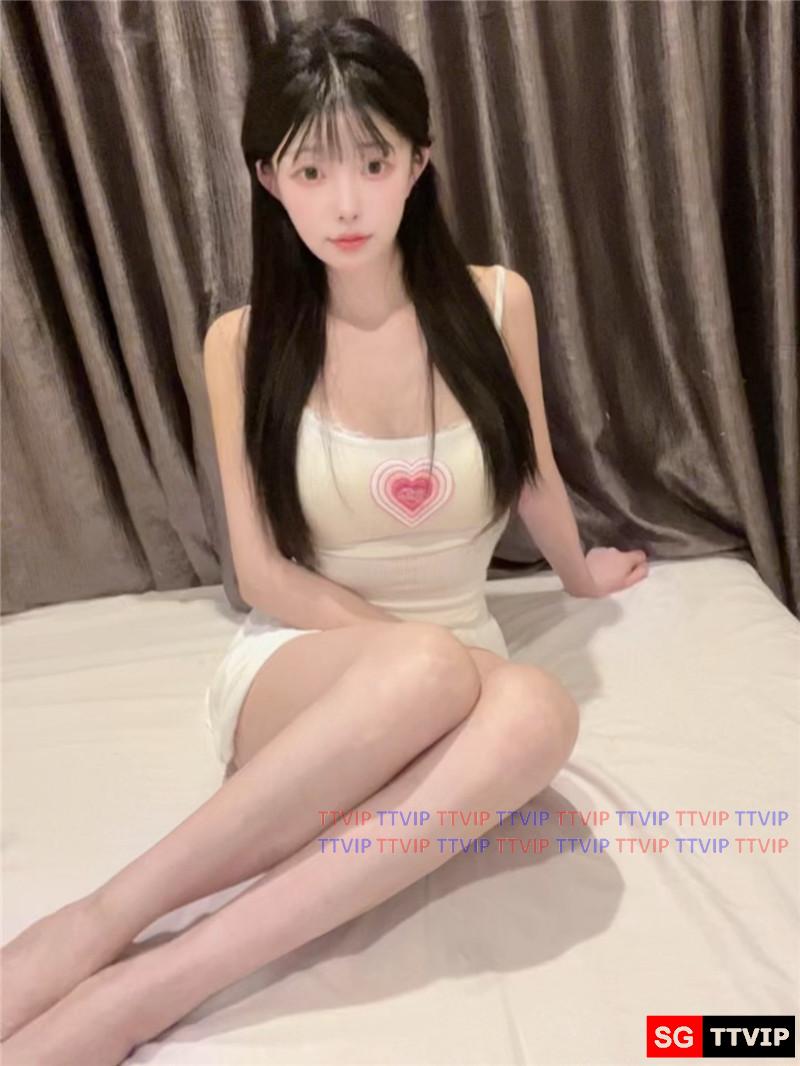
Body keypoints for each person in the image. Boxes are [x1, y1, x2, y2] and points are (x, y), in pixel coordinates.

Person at [0, 13, 648, 1064]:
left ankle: (159, 984)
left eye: (374, 163)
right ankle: (102, 920)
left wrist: (581, 575)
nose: (346, 203)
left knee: (538, 712)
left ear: (419, 163)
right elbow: (261, 571)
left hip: (462, 662)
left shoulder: (496, 303)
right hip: (301, 665)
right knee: (431, 671)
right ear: (269, 179)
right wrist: (414, 658)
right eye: (311, 170)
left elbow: (530, 471)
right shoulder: (242, 341)